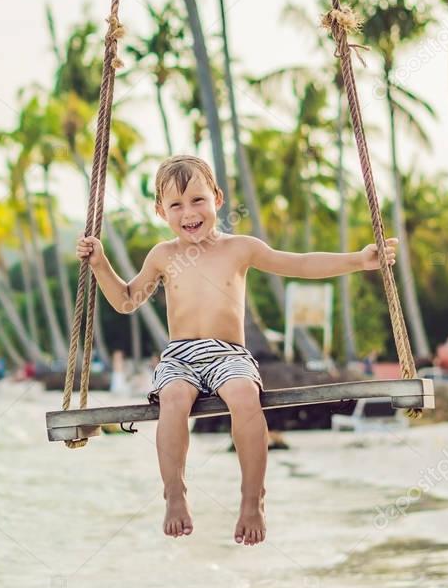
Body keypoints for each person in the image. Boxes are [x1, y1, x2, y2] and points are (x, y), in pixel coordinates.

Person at [76, 155, 396, 546]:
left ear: (218, 199)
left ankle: (251, 500)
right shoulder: (163, 256)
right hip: (180, 356)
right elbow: (126, 300)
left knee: (245, 396)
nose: (189, 212)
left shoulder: (240, 248)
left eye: (197, 200)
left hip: (229, 354)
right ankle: (174, 493)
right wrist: (100, 263)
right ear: (161, 211)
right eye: (176, 205)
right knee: (173, 398)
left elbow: (300, 264)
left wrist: (359, 261)